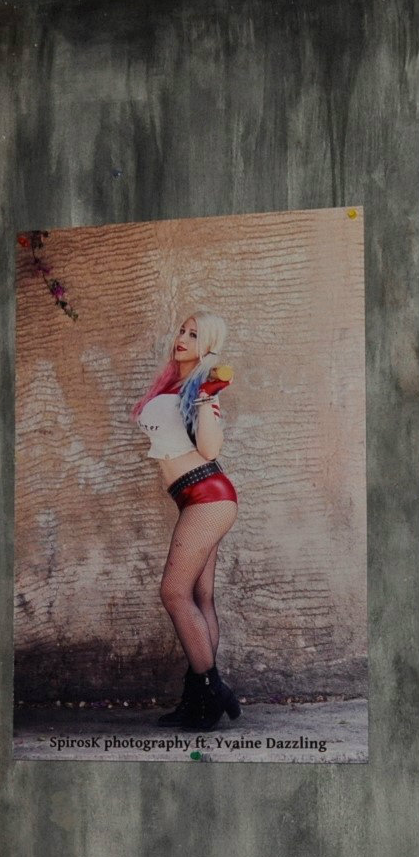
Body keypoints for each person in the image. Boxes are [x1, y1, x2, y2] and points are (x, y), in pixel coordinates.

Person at [132, 310, 241, 730]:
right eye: (182, 330)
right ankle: (198, 698)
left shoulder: (201, 389)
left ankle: (212, 691)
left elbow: (210, 451)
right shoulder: (172, 384)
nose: (183, 338)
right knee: (200, 596)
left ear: (208, 345)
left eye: (194, 335)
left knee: (174, 593)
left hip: (208, 497)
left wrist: (208, 397)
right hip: (193, 498)